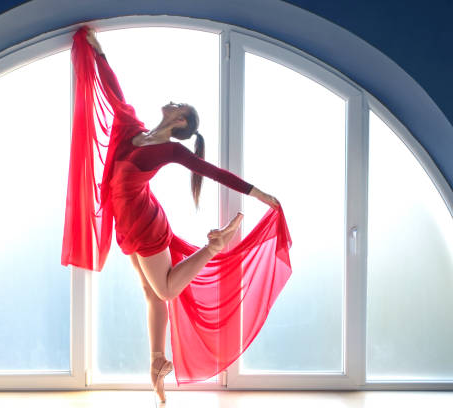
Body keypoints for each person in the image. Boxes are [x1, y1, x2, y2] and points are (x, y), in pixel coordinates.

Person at [62, 26, 292, 403]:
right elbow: (113, 90)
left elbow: (214, 172)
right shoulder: (131, 126)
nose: (171, 102)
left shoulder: (170, 151)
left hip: (145, 225)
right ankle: (157, 364)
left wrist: (260, 194)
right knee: (152, 295)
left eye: (178, 105)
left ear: (181, 122)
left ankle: (213, 248)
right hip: (131, 222)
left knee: (166, 289)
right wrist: (99, 52)